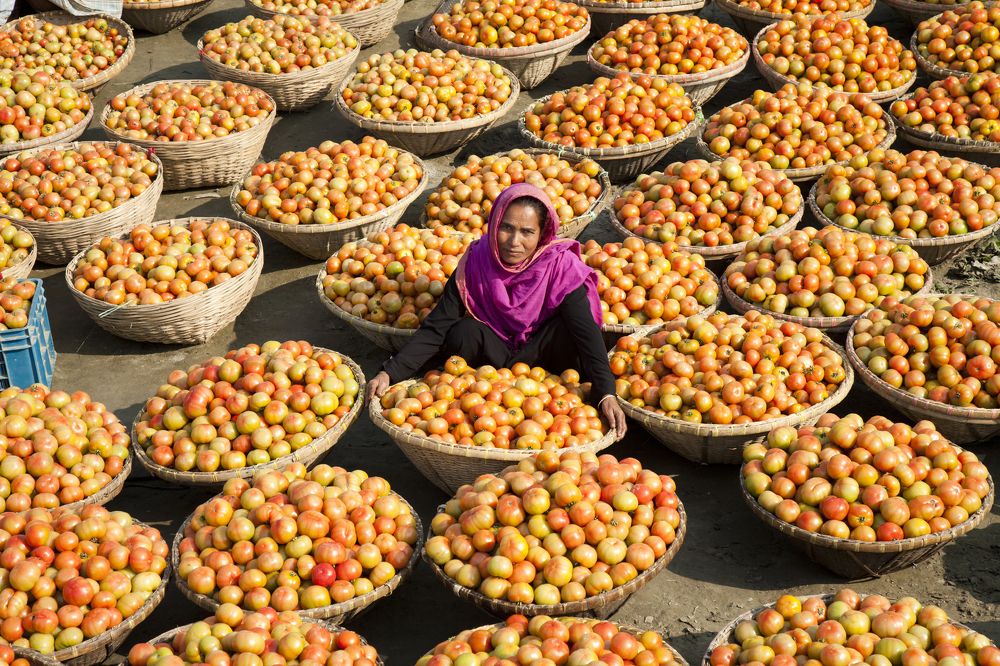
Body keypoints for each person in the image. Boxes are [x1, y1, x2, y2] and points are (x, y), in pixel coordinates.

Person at [366, 182, 627, 439]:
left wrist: (606, 392)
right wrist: (390, 372)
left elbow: (587, 335)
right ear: (494, 225)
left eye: (527, 232)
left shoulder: (560, 266)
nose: (514, 241)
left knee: (570, 333)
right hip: (492, 366)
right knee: (462, 332)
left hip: (546, 359)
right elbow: (436, 328)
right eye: (506, 228)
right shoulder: (477, 262)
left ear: (542, 234)